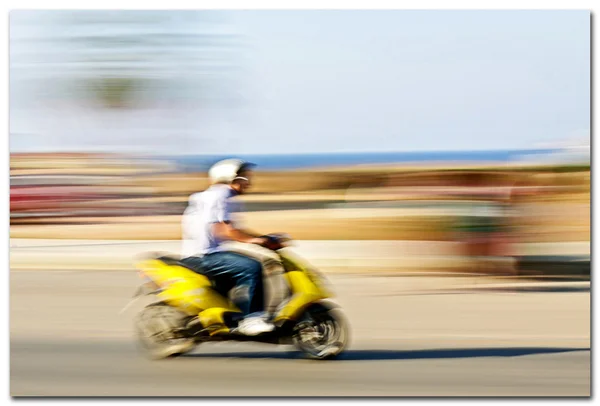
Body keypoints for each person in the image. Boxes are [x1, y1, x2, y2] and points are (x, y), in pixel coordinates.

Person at [180, 159, 281, 336]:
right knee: (252, 267)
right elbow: (223, 229)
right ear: (230, 178)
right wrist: (254, 241)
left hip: (205, 253)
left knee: (239, 267)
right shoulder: (221, 195)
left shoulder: (215, 195)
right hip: (203, 256)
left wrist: (261, 238)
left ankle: (234, 316)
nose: (248, 182)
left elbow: (231, 228)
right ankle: (251, 319)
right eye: (244, 177)